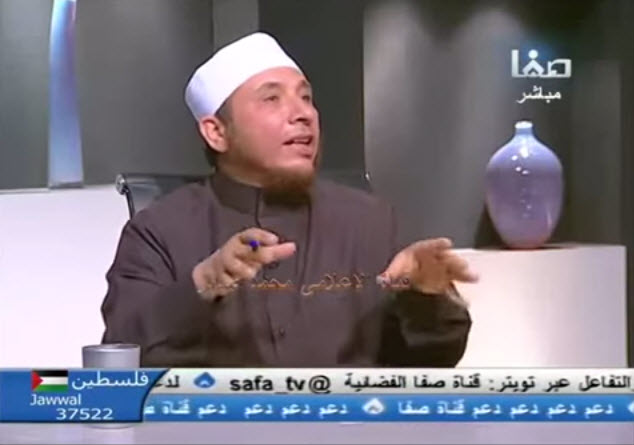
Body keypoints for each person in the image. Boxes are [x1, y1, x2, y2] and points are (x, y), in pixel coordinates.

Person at [101, 32, 478, 367]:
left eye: (306, 98)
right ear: (216, 133)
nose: (303, 114)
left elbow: (432, 360)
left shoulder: (369, 221)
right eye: (272, 99)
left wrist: (426, 298)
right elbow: (121, 355)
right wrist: (202, 283)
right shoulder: (158, 231)